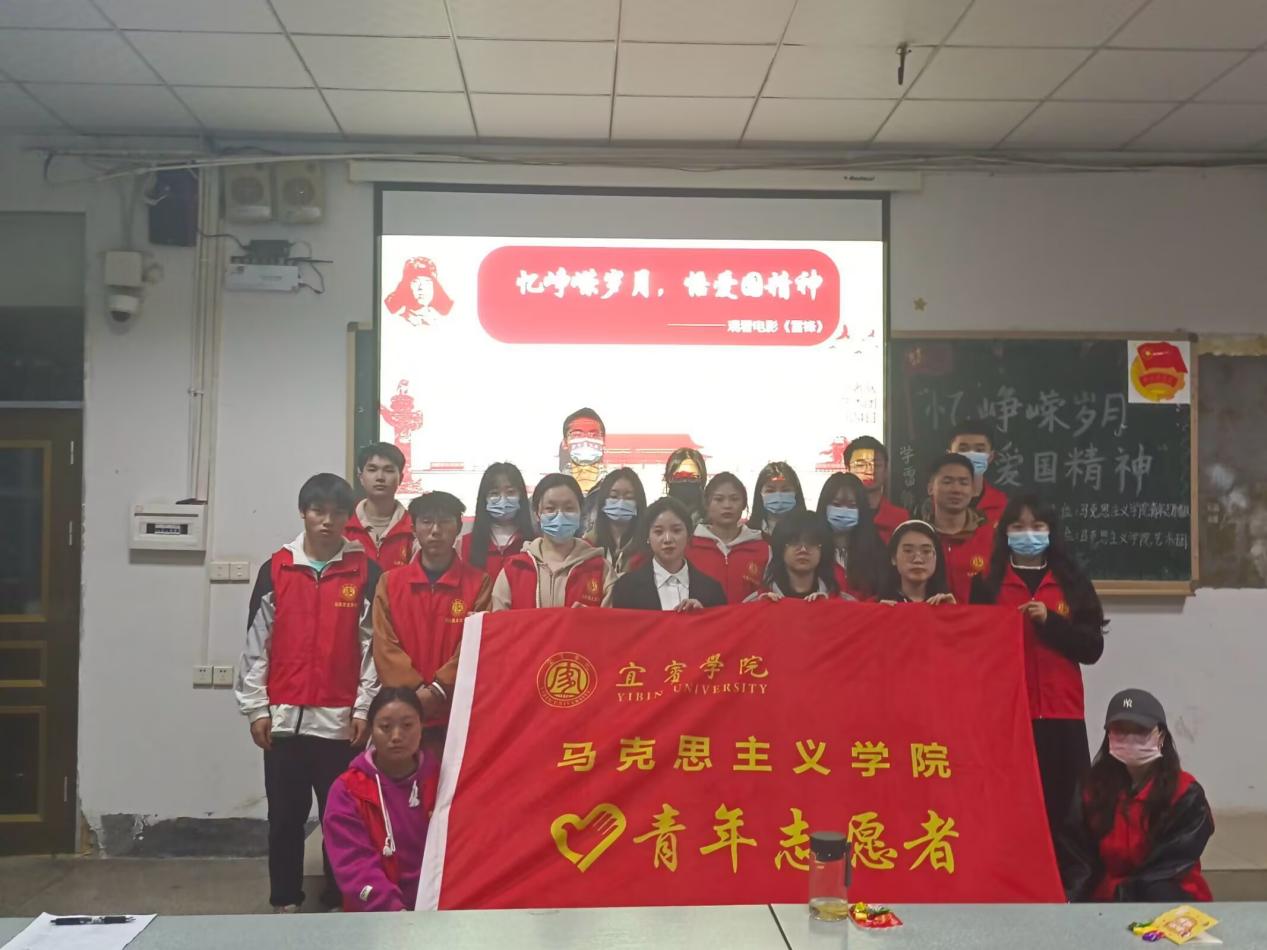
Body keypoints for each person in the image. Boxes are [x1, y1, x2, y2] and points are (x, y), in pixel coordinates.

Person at [234, 473, 380, 913]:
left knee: (341, 818)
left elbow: (372, 649)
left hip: (341, 724)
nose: (327, 521)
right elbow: (256, 644)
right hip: (283, 721)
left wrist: (364, 709)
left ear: (348, 517)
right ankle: (284, 901)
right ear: (303, 512)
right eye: (318, 511)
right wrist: (256, 709)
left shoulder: (365, 571)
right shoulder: (276, 568)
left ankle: (338, 899)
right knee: (284, 818)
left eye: (337, 513)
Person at [971, 494, 1106, 837]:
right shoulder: (986, 583)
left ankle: (1063, 872)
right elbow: (974, 649)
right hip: (1008, 712)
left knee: (1065, 813)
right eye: (1018, 526)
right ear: (1004, 532)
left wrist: (1050, 622)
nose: (1027, 534)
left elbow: (1092, 648)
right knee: (1009, 807)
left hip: (1061, 711)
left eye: (1037, 526)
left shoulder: (1072, 581)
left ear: (1051, 531)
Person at [1060, 689, 1213, 904]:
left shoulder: (1186, 794)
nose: (1130, 739)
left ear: (1161, 736)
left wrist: (1124, 894)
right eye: (1120, 731)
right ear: (1108, 736)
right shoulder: (1092, 790)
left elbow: (1169, 864)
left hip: (1166, 890)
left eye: (1140, 731)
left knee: (1158, 893)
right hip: (1107, 896)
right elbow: (1079, 858)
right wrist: (1071, 903)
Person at [373, 492, 491, 725]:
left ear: (459, 528)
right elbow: (383, 645)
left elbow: (478, 644)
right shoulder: (390, 582)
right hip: (403, 709)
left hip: (457, 709)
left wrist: (438, 688)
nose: (436, 530)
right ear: (413, 528)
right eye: (427, 521)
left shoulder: (479, 583)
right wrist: (415, 692)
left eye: (445, 521)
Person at [323, 687, 439, 912]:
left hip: (439, 907)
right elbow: (354, 866)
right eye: (385, 727)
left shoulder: (444, 782)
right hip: (377, 914)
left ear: (422, 727)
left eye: (407, 725)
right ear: (371, 731)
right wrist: (394, 912)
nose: (396, 736)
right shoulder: (347, 790)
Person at [491, 473, 615, 609]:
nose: (560, 515)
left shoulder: (601, 570)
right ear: (537, 514)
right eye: (550, 509)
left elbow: (612, 620)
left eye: (569, 508)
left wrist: (589, 618)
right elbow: (498, 620)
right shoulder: (514, 569)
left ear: (581, 512)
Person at [610, 497, 726, 610]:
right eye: (658, 532)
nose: (667, 539)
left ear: (688, 534)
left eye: (676, 530)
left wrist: (703, 616)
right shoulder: (626, 588)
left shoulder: (711, 589)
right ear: (648, 537)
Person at [919, 453, 994, 604]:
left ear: (973, 490)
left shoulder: (992, 538)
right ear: (930, 488)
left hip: (977, 618)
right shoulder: (916, 537)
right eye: (947, 482)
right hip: (927, 617)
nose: (956, 490)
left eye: (963, 483)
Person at [689, 472, 769, 604]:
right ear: (707, 504)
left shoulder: (762, 548)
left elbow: (771, 591)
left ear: (744, 504)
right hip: (703, 617)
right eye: (719, 499)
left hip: (750, 617)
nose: (727, 505)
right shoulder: (689, 547)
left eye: (734, 499)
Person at [745, 510, 846, 602]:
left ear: (823, 549)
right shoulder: (756, 602)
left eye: (812, 542)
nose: (803, 550)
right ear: (780, 548)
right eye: (794, 542)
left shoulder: (844, 604)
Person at [345, 442, 414, 571]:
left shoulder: (414, 528)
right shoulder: (343, 525)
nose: (380, 477)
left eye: (388, 470)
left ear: (401, 478)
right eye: (372, 470)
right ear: (361, 477)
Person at [459, 462, 534, 582]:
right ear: (484, 499)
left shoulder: (534, 543)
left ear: (521, 496)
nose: (503, 500)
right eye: (494, 493)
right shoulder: (466, 543)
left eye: (510, 492)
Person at [815, 472, 886, 600]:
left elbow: (883, 595)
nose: (844, 511)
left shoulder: (876, 549)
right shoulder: (813, 547)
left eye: (852, 506)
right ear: (824, 506)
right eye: (837, 504)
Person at [876, 520, 956, 604]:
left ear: (936, 557)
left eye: (926, 551)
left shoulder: (947, 602)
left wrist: (952, 610)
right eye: (908, 551)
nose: (918, 560)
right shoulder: (876, 605)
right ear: (894, 558)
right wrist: (879, 611)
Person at [586, 467, 647, 576]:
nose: (621, 502)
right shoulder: (588, 545)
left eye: (629, 497)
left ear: (638, 502)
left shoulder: (648, 546)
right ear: (603, 501)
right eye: (614, 496)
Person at [949, 419, 1010, 528]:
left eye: (979, 450)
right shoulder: (935, 504)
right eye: (963, 449)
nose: (971, 455)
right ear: (950, 455)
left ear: (990, 457)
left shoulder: (1003, 505)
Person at [383, 256, 454, 327]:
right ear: (407, 286)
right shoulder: (395, 322)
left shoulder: (442, 322)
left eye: (427, 282)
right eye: (416, 281)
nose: (422, 288)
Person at [749, 461, 806, 540]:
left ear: (796, 492)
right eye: (770, 491)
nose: (779, 496)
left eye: (785, 490)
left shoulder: (810, 529)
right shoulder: (748, 532)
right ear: (760, 494)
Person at [559, 406, 607, 496]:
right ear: (565, 443)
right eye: (577, 434)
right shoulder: (553, 488)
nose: (586, 440)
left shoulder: (614, 487)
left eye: (594, 435)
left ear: (603, 442)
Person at [663, 448, 708, 524]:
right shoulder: (656, 518)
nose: (685, 481)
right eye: (679, 477)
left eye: (692, 478)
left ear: (702, 479)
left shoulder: (713, 520)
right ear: (669, 479)